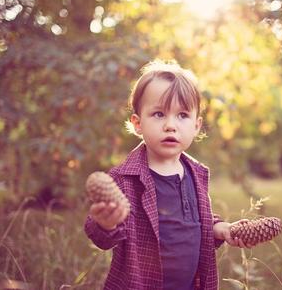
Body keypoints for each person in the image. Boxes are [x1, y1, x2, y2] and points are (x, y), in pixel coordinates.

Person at [84, 60, 252, 290]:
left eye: (182, 115)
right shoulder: (124, 179)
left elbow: (192, 223)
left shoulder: (197, 173)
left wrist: (220, 229)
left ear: (196, 125)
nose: (170, 125)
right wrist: (105, 224)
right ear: (138, 123)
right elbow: (101, 237)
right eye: (159, 114)